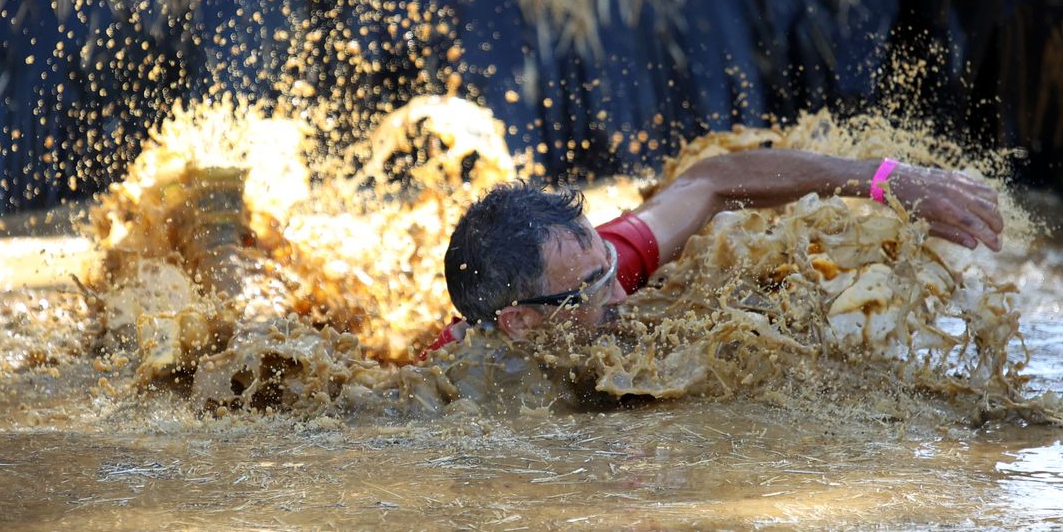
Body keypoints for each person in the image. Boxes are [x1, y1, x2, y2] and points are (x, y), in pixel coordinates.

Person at [422, 149, 1003, 359]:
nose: (624, 289)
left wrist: (881, 180)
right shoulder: (449, 386)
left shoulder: (604, 262)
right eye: (595, 289)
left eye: (610, 268)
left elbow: (711, 181)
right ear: (519, 322)